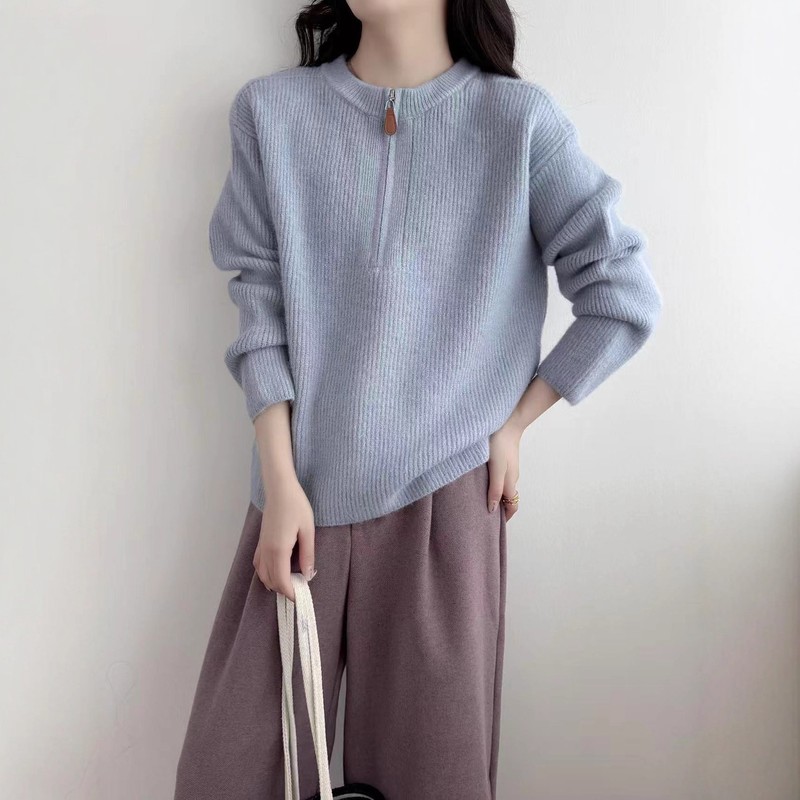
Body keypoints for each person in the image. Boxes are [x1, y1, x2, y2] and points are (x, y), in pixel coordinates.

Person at [174, 0, 663, 798]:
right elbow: (260, 306)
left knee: (433, 782)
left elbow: (623, 294)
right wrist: (280, 479)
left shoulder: (518, 124)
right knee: (226, 776)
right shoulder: (272, 113)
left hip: (445, 512)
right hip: (295, 506)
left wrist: (514, 426)